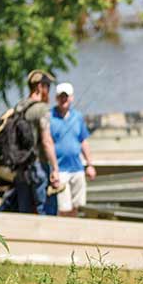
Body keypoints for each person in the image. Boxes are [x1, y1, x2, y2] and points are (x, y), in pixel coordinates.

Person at [0, 69, 61, 215]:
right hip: (38, 166)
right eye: (47, 86)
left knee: (24, 211)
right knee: (44, 210)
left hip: (21, 167)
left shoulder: (19, 107)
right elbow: (46, 141)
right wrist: (55, 168)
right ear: (40, 87)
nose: (48, 91)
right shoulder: (42, 109)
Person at [47, 82, 96, 217]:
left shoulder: (78, 117)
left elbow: (83, 141)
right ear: (56, 98)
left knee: (77, 206)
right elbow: (47, 143)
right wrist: (54, 169)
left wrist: (90, 165)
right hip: (60, 170)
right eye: (61, 97)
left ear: (71, 98)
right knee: (63, 208)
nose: (64, 99)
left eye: (66, 96)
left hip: (77, 168)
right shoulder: (49, 117)